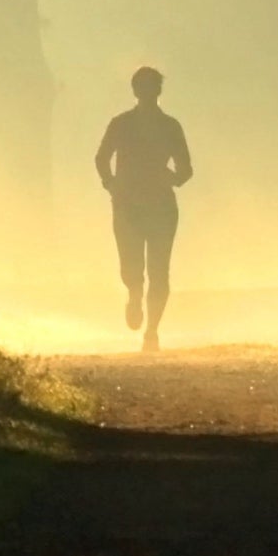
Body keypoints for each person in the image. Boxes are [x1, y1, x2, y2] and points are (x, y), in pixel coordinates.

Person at [93, 66, 191, 352]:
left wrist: (171, 178)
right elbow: (101, 158)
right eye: (144, 88)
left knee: (158, 270)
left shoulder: (168, 127)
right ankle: (136, 296)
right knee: (133, 265)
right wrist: (110, 183)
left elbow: (185, 169)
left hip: (156, 206)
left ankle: (151, 331)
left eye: (150, 88)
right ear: (137, 91)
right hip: (129, 205)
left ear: (156, 91)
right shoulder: (122, 124)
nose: (147, 93)